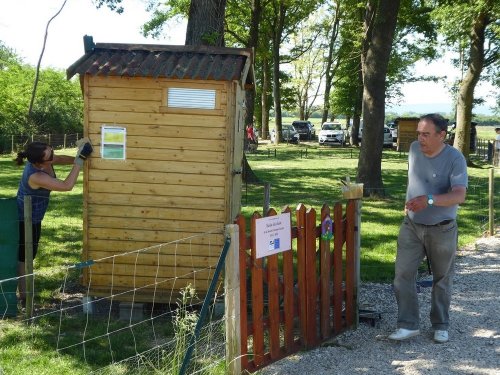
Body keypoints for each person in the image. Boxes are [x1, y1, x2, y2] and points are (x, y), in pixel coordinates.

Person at [389, 113, 468, 344]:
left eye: (426, 134)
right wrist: (413, 202)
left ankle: (441, 324)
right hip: (411, 225)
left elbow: (459, 195)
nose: (420, 138)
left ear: (441, 135)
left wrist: (429, 200)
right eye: (418, 133)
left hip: (442, 228)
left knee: (442, 278)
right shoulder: (414, 149)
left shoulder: (455, 158)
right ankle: (407, 325)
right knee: (402, 274)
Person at [15, 140, 92, 304]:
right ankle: (24, 296)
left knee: (29, 254)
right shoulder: (35, 175)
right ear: (39, 163)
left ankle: (24, 293)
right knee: (25, 257)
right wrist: (80, 161)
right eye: (50, 157)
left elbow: (61, 159)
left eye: (52, 151)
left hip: (34, 217)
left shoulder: (45, 160)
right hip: (25, 219)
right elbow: (66, 185)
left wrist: (77, 157)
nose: (53, 157)